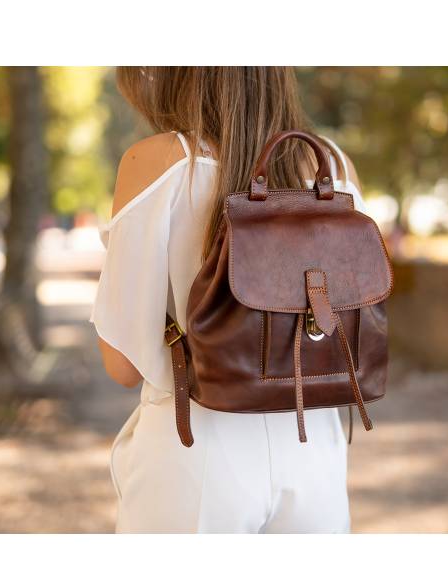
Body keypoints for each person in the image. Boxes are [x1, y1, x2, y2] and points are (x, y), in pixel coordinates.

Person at [90, 67, 368, 533]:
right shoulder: (333, 167)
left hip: (195, 447)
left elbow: (121, 366)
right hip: (314, 442)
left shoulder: (161, 161)